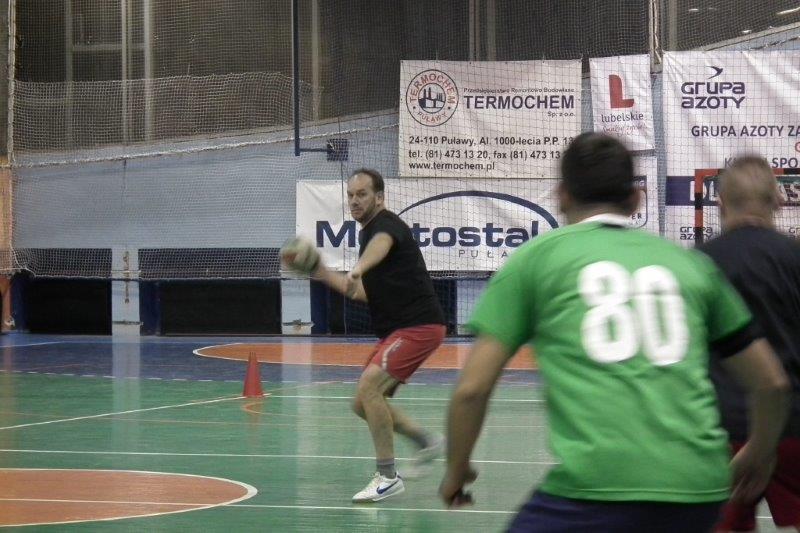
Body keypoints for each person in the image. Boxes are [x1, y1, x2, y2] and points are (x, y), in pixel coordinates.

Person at [438, 133, 790, 532]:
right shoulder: (689, 265)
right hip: (699, 488)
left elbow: (472, 389)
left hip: (596, 486)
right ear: (636, 200)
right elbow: (771, 383)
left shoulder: (536, 260)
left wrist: (456, 469)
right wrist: (759, 451)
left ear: (562, 195)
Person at [284, 168, 446, 503]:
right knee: (363, 403)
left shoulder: (385, 226)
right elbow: (361, 293)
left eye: (362, 194)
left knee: (370, 386)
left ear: (379, 197)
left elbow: (380, 247)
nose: (355, 201)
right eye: (351, 195)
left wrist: (360, 267)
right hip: (398, 329)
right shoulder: (366, 235)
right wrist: (321, 271)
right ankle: (426, 441)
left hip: (418, 325)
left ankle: (387, 476)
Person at [698, 156, 800, 532]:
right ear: (778, 201)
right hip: (793, 428)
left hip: (722, 433)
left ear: (720, 202)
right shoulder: (795, 257)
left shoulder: (699, 263)